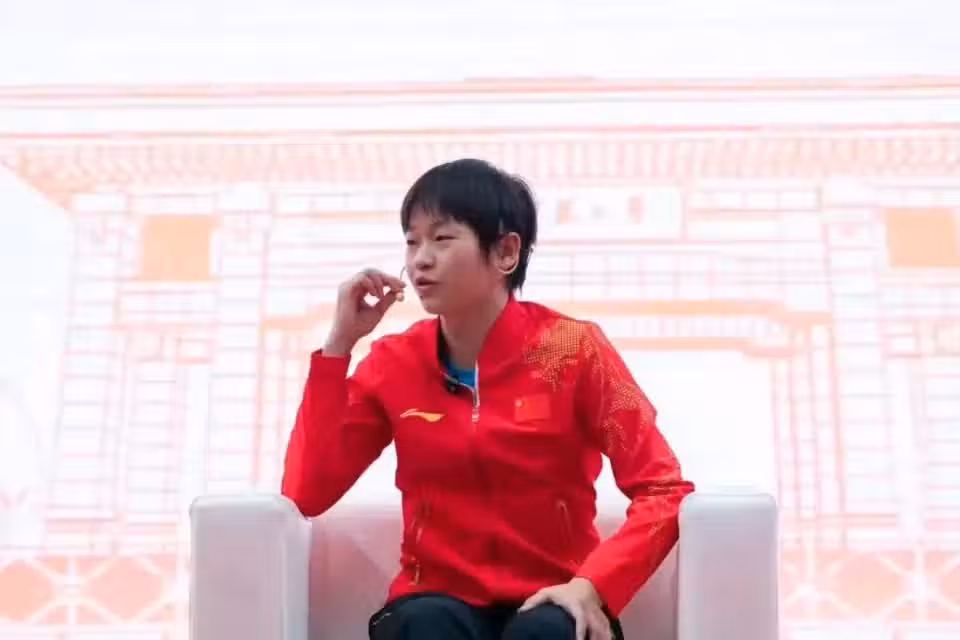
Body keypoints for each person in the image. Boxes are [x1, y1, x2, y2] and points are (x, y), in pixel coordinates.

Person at [281, 158, 695, 640]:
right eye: (412, 242)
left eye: (441, 238)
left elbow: (664, 490)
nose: (420, 260)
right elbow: (307, 493)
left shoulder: (573, 351)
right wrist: (338, 346)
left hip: (554, 598)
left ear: (505, 252)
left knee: (546, 632)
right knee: (426, 625)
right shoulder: (393, 362)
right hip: (435, 602)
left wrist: (592, 587)